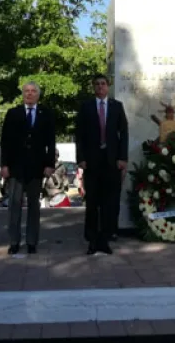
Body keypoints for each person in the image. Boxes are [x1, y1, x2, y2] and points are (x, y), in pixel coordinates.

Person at [0, 81, 56, 255]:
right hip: (16, 168)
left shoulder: (45, 114)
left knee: (34, 206)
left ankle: (32, 241)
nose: (30, 94)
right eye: (26, 91)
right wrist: (4, 165)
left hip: (36, 168)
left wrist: (49, 165)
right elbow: (5, 142)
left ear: (38, 95)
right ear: (23, 94)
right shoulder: (13, 113)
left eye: (33, 91)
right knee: (14, 206)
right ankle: (14, 241)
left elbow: (50, 142)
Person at [75, 74, 129, 255]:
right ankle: (92, 240)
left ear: (108, 87)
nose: (100, 87)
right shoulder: (86, 107)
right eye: (97, 84)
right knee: (92, 203)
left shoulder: (116, 107)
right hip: (91, 162)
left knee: (109, 203)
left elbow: (124, 134)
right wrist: (80, 158)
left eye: (103, 84)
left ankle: (105, 239)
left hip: (111, 162)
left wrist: (123, 158)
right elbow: (79, 135)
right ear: (93, 87)